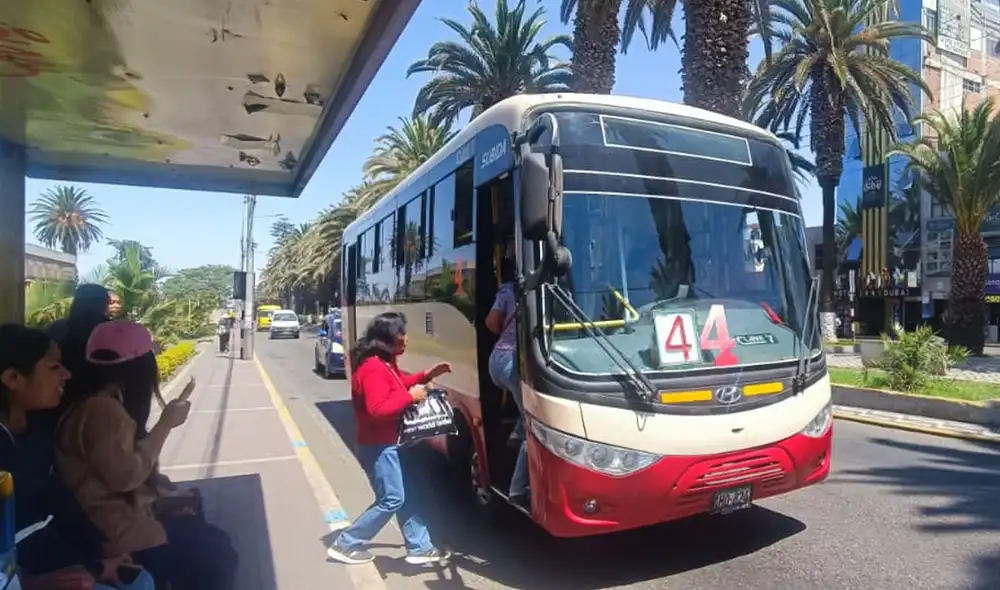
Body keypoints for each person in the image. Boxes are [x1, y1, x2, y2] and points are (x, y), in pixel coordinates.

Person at [55, 320, 238, 590]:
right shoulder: (102, 410)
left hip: (115, 522)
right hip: (115, 534)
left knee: (206, 533)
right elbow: (125, 476)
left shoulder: (96, 402)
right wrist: (166, 423)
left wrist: (158, 497)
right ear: (141, 367)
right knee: (216, 553)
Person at [0, 324, 154, 590]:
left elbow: (59, 499)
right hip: (21, 573)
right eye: (54, 367)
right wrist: (30, 582)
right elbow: (125, 476)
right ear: (13, 378)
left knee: (141, 581)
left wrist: (99, 553)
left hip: (56, 552)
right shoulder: (99, 411)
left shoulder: (38, 427)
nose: (67, 374)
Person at [326, 312, 452, 566]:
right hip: (377, 446)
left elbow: (398, 384)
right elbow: (377, 409)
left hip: (389, 442)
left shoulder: (385, 363)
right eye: (401, 334)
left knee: (409, 494)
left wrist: (425, 376)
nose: (406, 339)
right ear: (386, 339)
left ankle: (419, 547)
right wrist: (411, 397)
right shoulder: (373, 367)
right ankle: (346, 543)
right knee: (392, 499)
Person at [485, 258, 529, 511]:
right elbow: (491, 321)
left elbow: (492, 323)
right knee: (534, 427)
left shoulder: (508, 290)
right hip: (513, 362)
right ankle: (516, 489)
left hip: (499, 358)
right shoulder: (542, 289)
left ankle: (515, 432)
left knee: (524, 412)